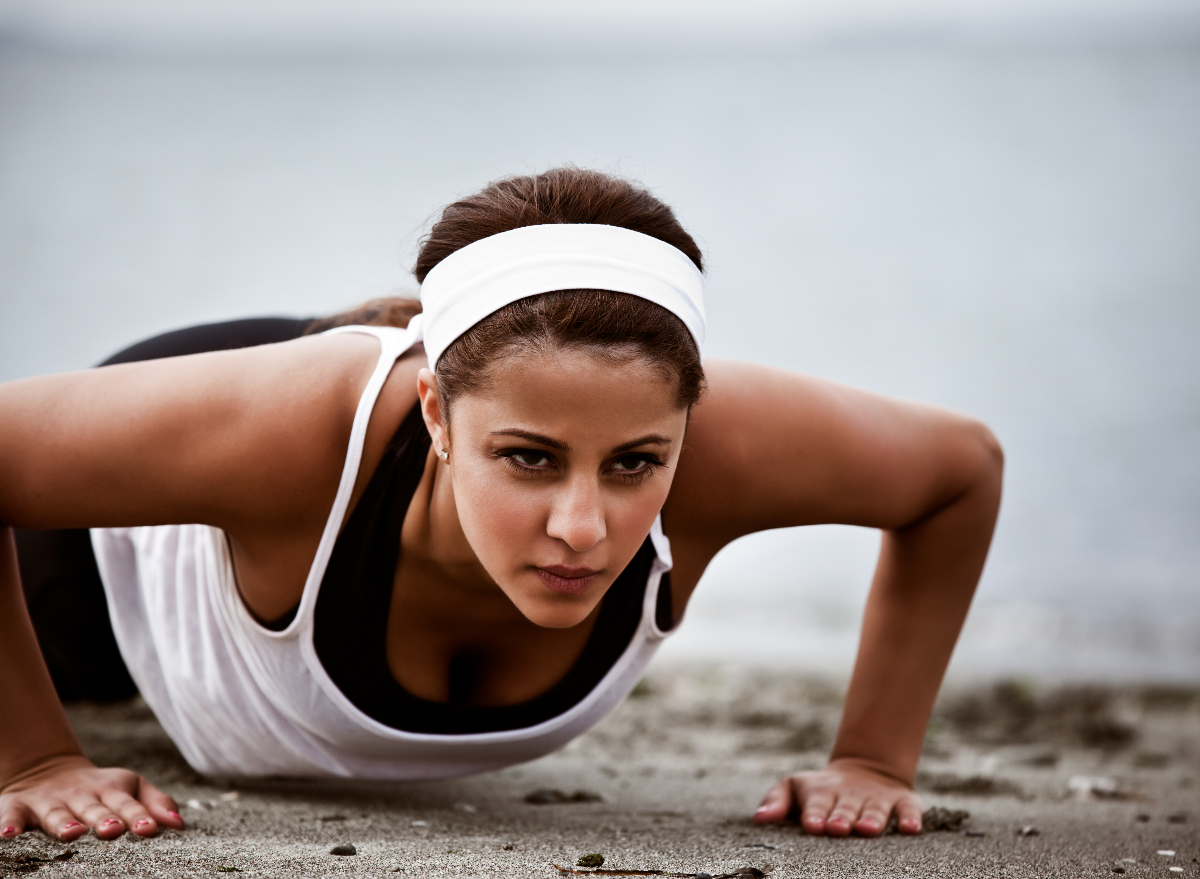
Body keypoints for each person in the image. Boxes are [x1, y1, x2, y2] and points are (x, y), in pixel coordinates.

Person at [0, 167, 1002, 844]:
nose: (584, 526)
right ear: (435, 410)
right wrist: (36, 757)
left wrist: (871, 758)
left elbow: (961, 469)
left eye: (634, 464)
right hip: (130, 537)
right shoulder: (288, 439)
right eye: (530, 459)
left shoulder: (718, 448)